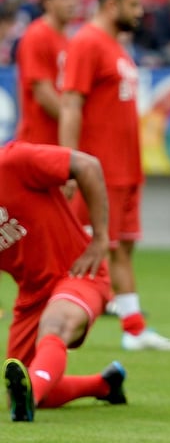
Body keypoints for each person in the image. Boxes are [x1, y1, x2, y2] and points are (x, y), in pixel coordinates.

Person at [59, 0, 170, 352]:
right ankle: (59, 324)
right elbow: (70, 104)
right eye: (133, 4)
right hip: (101, 170)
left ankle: (133, 328)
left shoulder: (114, 44)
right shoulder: (87, 43)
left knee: (123, 247)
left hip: (127, 168)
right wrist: (68, 163)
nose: (140, 11)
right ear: (111, 4)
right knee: (93, 249)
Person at [1, 141, 127, 422]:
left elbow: (87, 165)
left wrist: (100, 238)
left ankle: (28, 401)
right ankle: (104, 384)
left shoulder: (13, 161)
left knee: (55, 324)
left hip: (80, 272)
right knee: (16, 392)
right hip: (32, 295)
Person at [14, 0, 79, 146]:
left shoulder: (69, 38)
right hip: (38, 142)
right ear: (48, 2)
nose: (72, 3)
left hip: (58, 140)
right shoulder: (37, 35)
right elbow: (43, 94)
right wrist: (74, 123)